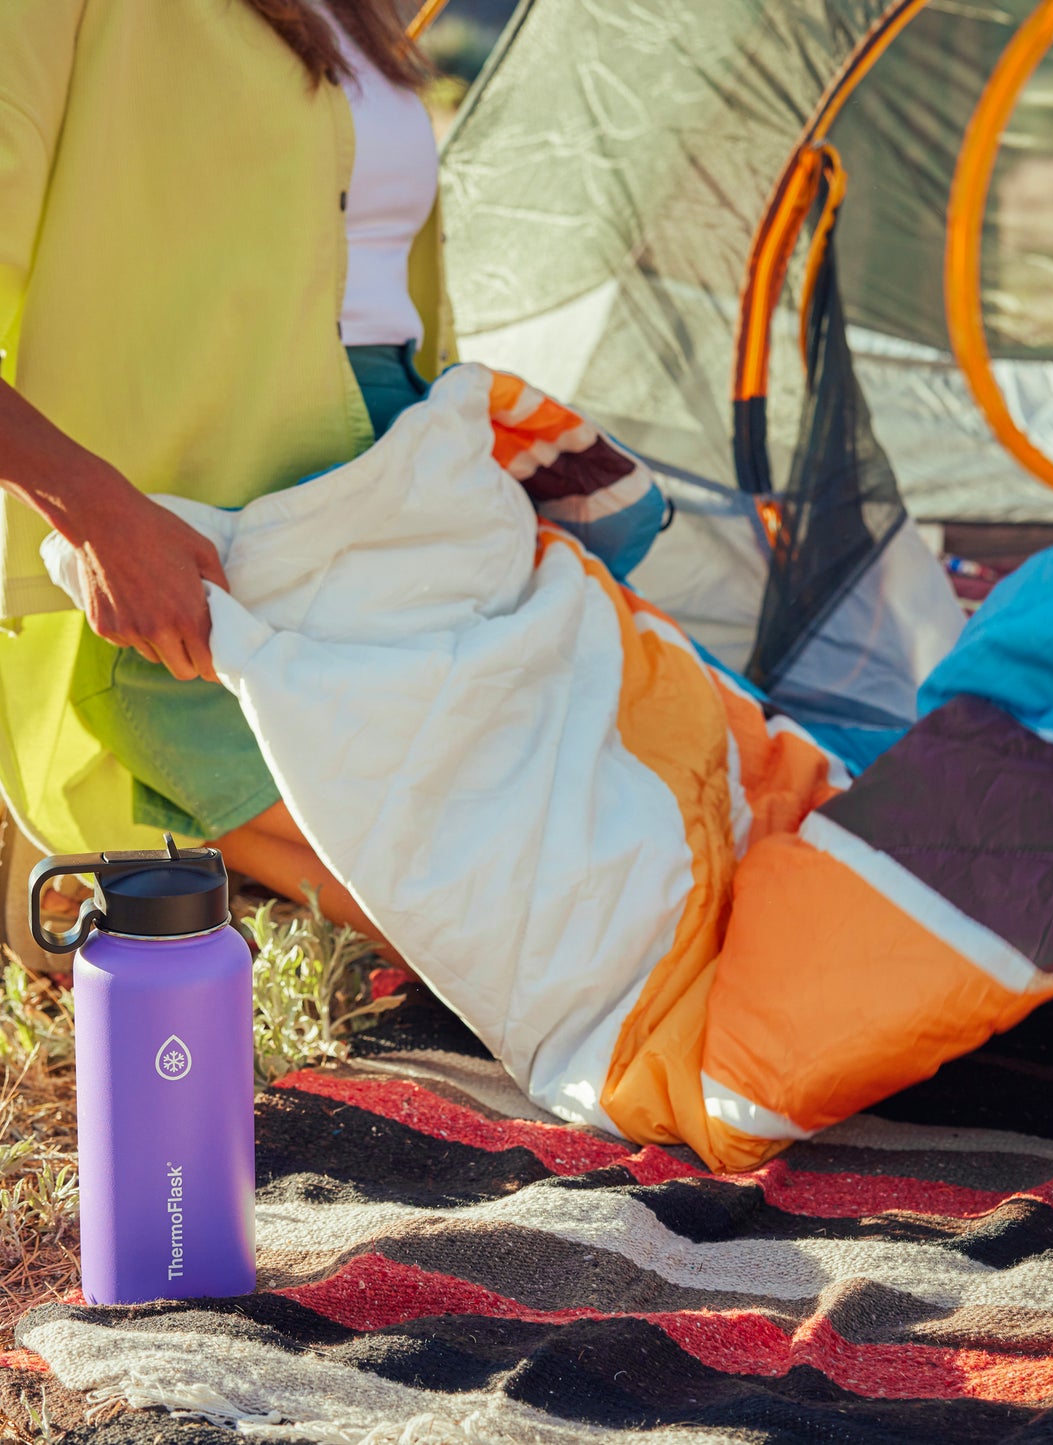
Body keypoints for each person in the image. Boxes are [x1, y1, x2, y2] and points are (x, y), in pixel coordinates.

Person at [0, 0, 672, 948]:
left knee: (633, 831)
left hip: (407, 515)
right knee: (532, 927)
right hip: (195, 557)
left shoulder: (362, 12)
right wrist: (98, 515)